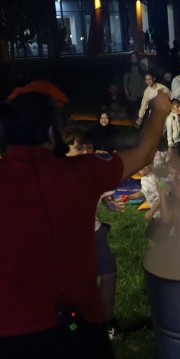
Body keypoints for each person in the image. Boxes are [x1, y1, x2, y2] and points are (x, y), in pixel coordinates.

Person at [0, 80, 171, 359]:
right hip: (78, 325)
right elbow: (144, 152)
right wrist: (159, 111)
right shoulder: (83, 172)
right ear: (51, 131)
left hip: (10, 332)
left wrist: (9, 111)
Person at [62, 126, 124, 339]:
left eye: (88, 147)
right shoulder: (57, 174)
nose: (86, 152)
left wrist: (110, 203)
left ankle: (106, 322)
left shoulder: (93, 170)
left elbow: (105, 195)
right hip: (69, 239)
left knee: (109, 275)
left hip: (94, 232)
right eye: (79, 148)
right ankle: (73, 326)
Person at [122, 52, 148, 116]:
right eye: (132, 57)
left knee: (142, 109)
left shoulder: (143, 66)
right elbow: (125, 79)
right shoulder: (128, 67)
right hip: (132, 91)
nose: (134, 58)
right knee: (133, 110)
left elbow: (146, 77)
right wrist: (126, 89)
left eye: (135, 57)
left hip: (142, 90)